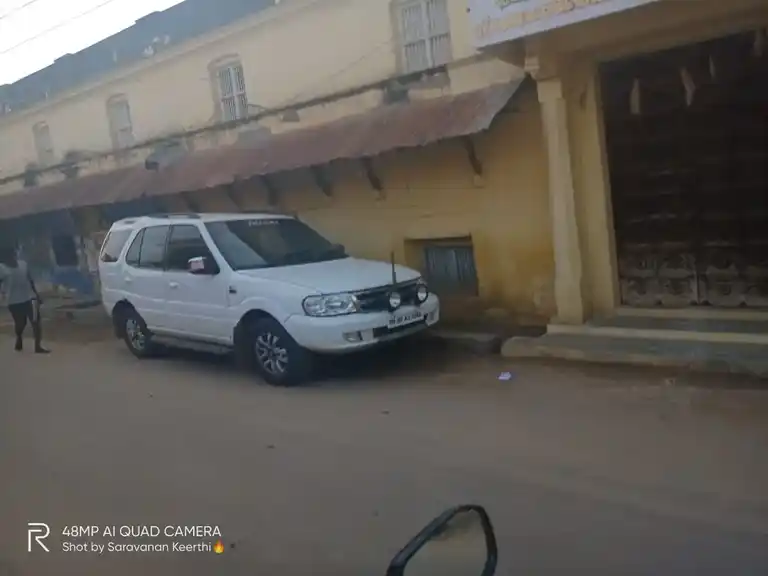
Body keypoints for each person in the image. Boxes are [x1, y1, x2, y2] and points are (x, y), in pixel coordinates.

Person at [0, 247, 49, 353]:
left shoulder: (23, 264)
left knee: (36, 322)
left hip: (29, 298)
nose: (12, 258)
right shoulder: (2, 269)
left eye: (13, 255)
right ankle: (19, 337)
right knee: (21, 323)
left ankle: (38, 347)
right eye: (9, 256)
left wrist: (37, 295)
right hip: (13, 301)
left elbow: (30, 280)